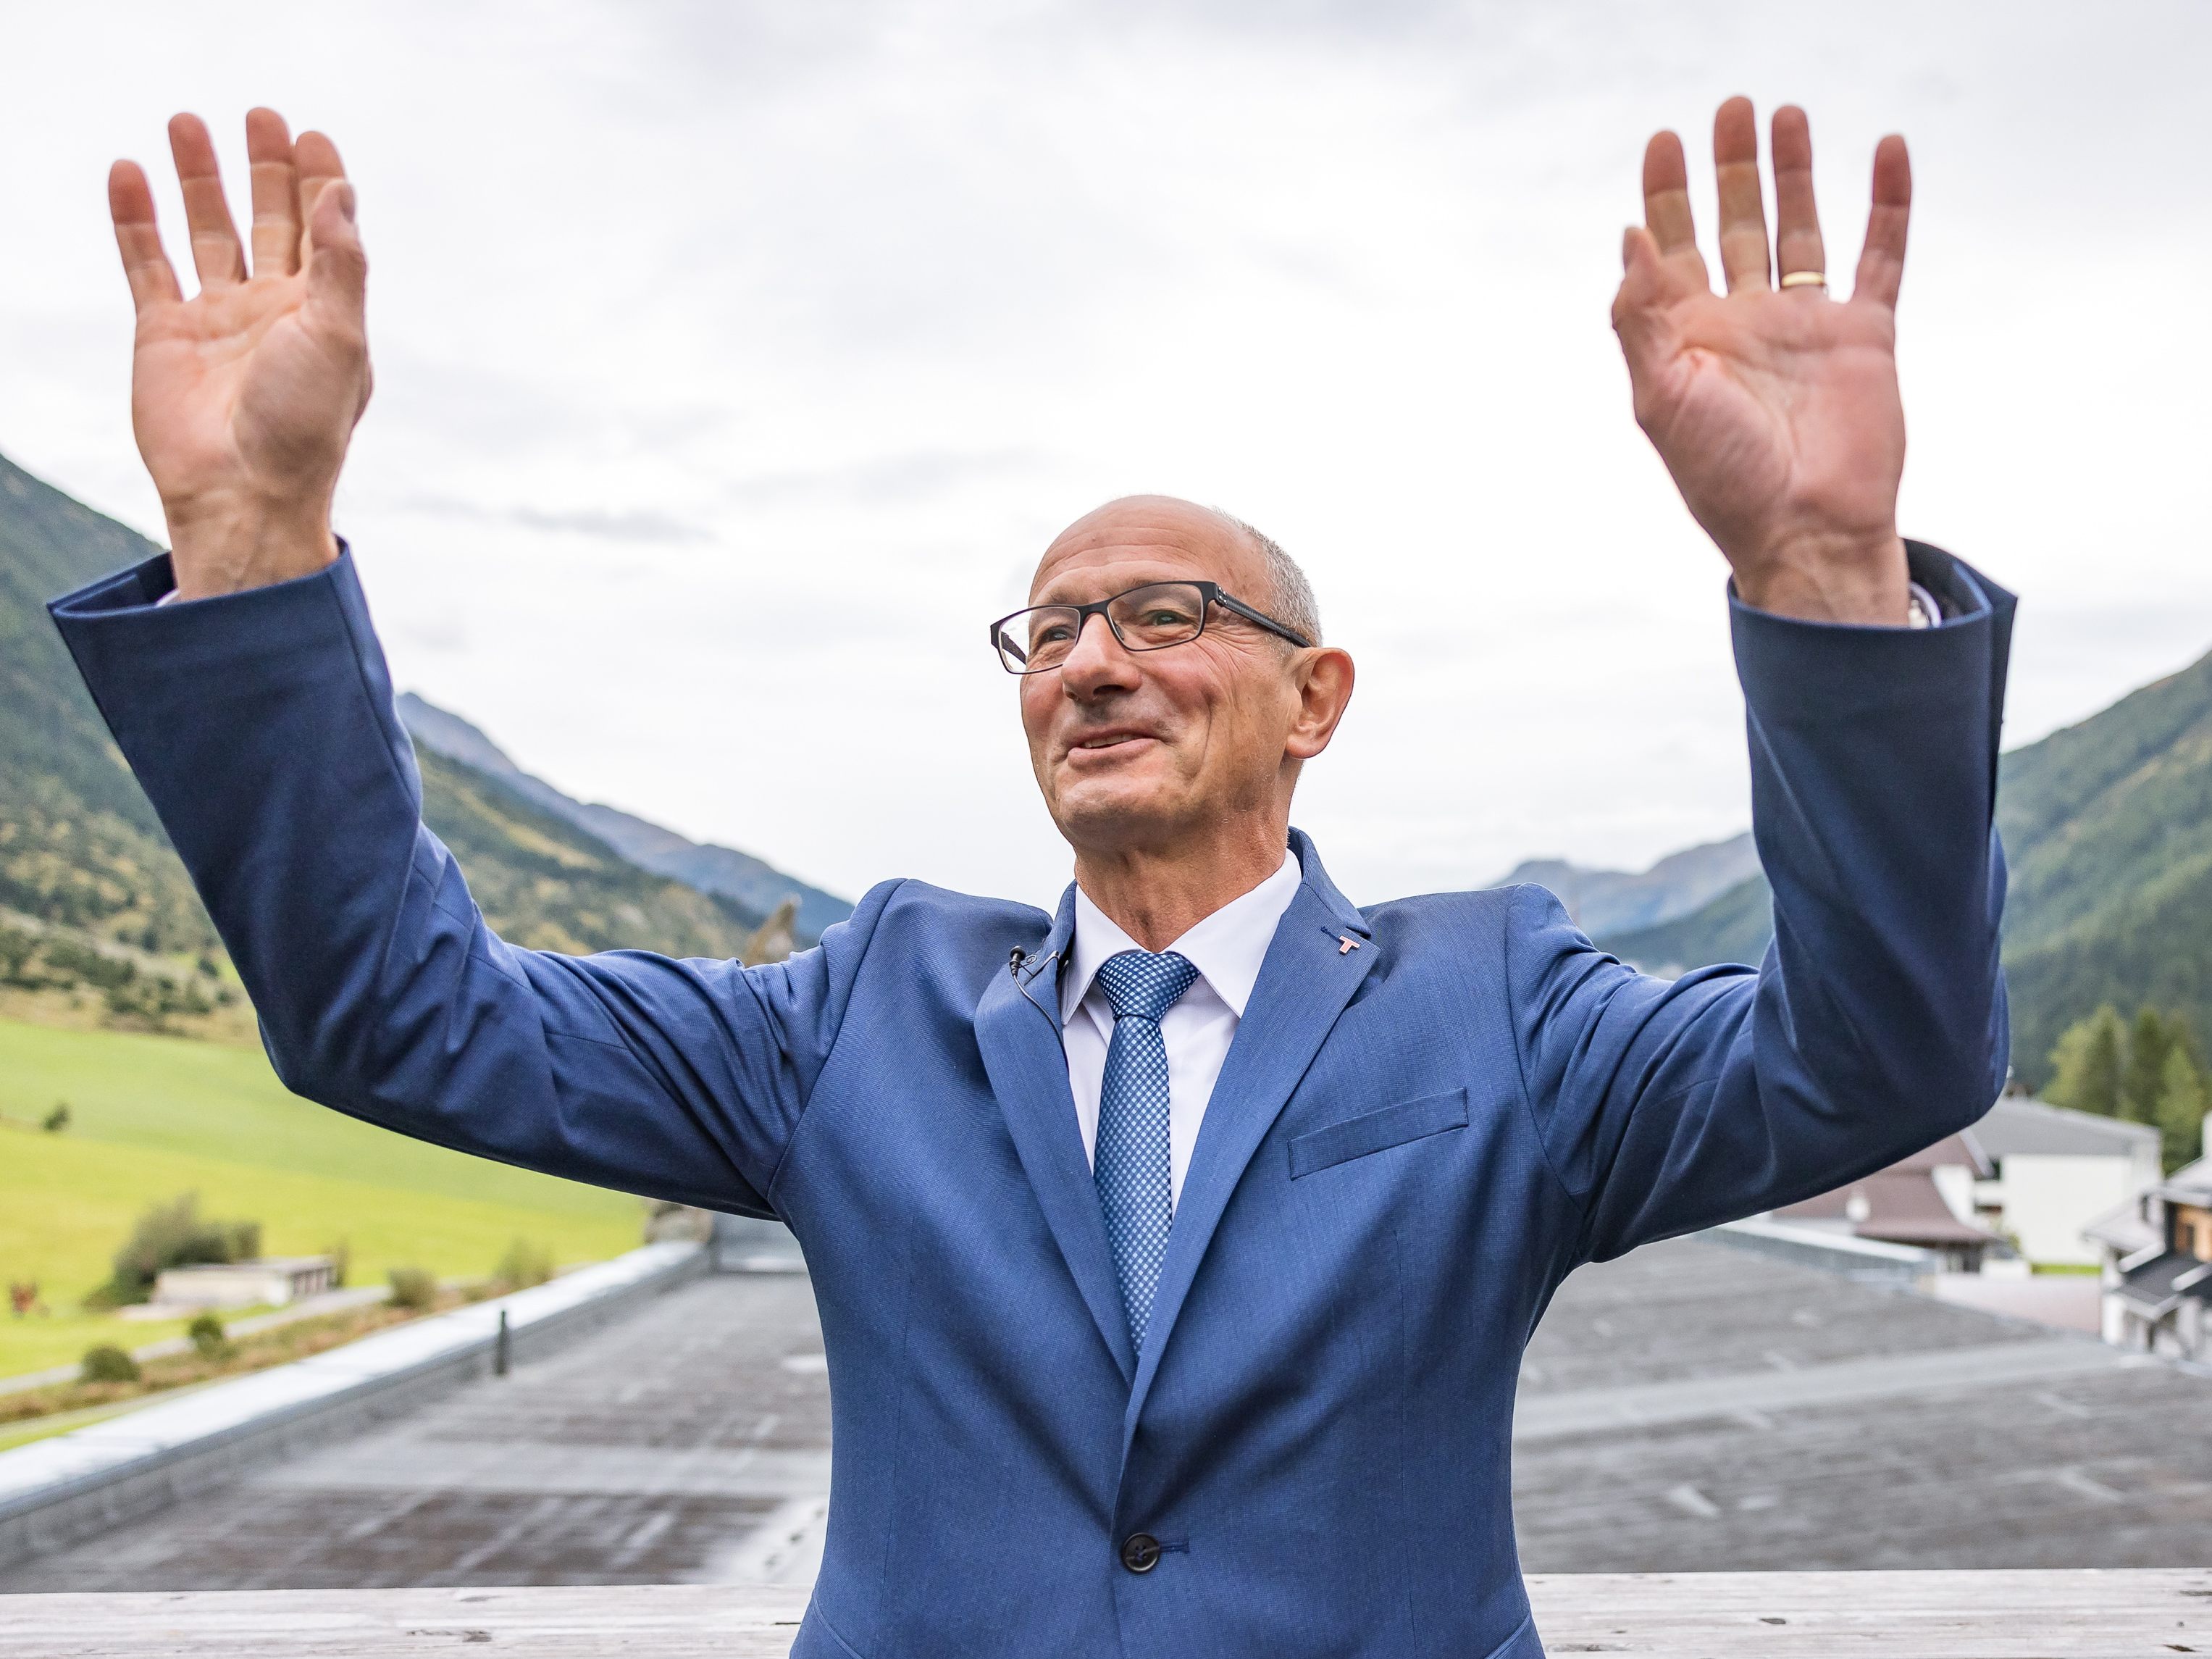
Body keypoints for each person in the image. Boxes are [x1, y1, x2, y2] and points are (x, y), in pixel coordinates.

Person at [51, 97, 2009, 1659]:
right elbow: (397, 1018)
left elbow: (1882, 1059)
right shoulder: (858, 1014)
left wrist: (1823, 579)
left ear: (1317, 697)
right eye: (1050, 630)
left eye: (1165, 614)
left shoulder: (1501, 1005)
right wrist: (257, 536)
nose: (1090, 662)